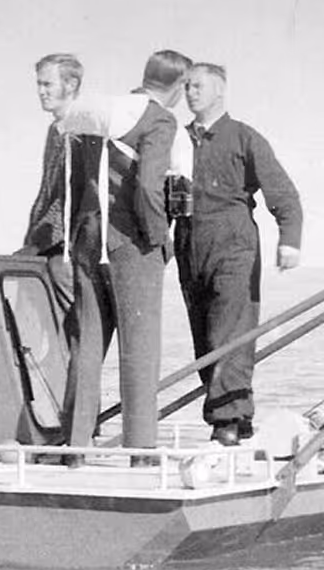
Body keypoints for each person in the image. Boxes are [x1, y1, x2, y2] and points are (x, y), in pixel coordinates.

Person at [59, 50, 193, 465]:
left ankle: (75, 447)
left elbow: (75, 183)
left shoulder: (100, 115)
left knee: (87, 345)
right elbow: (149, 188)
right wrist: (159, 239)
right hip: (132, 244)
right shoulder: (159, 119)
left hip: (87, 238)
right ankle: (140, 448)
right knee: (140, 348)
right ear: (178, 86)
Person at [177, 63, 302, 445]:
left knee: (230, 331)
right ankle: (238, 414)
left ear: (219, 90)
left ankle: (227, 420)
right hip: (188, 240)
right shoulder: (177, 140)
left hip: (233, 239)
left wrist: (289, 240)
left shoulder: (244, 136)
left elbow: (283, 193)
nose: (190, 93)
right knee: (204, 335)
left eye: (198, 86)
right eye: (187, 86)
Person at [17, 53, 88, 311]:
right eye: (39, 84)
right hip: (49, 244)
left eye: (47, 84)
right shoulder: (56, 129)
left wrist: (38, 244)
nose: (41, 91)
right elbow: (47, 192)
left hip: (68, 249)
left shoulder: (82, 129)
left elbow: (70, 196)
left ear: (70, 85)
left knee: (75, 319)